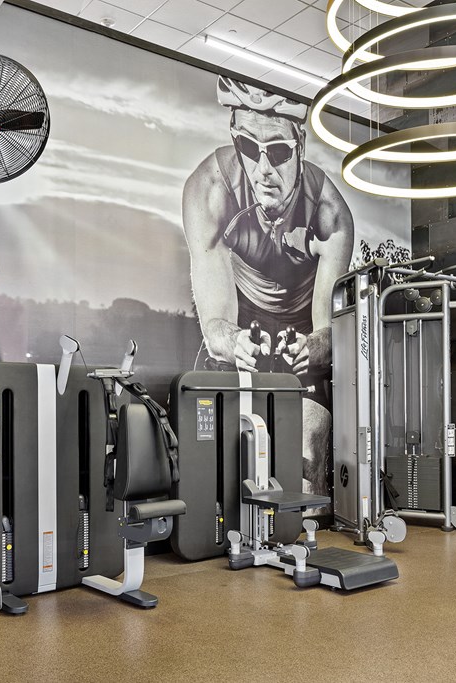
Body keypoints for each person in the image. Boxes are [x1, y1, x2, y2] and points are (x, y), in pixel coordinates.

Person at [181, 76, 355, 496]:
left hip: (302, 327)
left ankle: (307, 532)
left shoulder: (330, 214)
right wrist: (234, 340)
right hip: (241, 321)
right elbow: (216, 322)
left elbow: (328, 332)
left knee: (308, 450)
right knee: (218, 456)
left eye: (277, 152)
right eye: (247, 147)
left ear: (300, 148)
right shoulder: (209, 190)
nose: (263, 170)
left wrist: (312, 347)